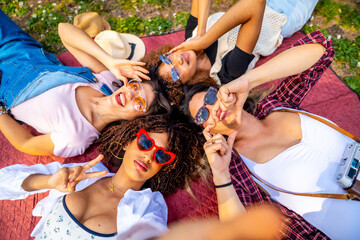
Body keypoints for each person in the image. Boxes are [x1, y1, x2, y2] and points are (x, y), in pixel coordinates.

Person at [180, 30, 360, 239]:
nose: (211, 108)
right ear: (206, 131)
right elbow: (237, 232)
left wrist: (248, 81)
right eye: (202, 114)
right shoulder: (239, 171)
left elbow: (320, 49)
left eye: (211, 97)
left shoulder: (275, 105)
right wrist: (221, 174)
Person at [0, 114, 204, 239]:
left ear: (164, 167)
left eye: (161, 155)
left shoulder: (147, 209)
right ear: (127, 142)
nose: (149, 155)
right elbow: (4, 182)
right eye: (145, 143)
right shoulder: (83, 173)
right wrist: (48, 182)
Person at [0, 10, 171, 158]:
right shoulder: (109, 82)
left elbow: (26, 143)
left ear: (137, 120)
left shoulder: (77, 137)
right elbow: (64, 30)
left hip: (4, 88)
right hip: (23, 53)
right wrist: (109, 60)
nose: (131, 94)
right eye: (135, 87)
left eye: (139, 103)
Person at [143, 0, 319, 88]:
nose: (177, 61)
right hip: (284, 13)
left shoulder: (191, 38)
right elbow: (254, 4)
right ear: (186, 85)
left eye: (167, 60)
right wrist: (205, 40)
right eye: (175, 73)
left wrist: (201, 33)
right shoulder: (225, 72)